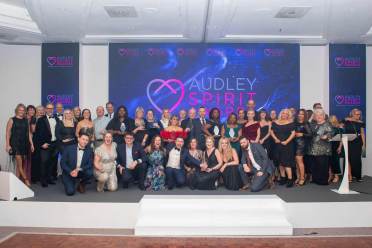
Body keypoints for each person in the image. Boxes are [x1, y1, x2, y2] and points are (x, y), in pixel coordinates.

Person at [5, 104, 34, 186]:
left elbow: (28, 133)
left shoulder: (26, 120)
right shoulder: (11, 120)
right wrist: (7, 145)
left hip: (24, 144)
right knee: (19, 162)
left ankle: (17, 182)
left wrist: (31, 144)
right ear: (17, 110)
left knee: (19, 165)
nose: (21, 111)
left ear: (25, 111)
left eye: (23, 110)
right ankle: (25, 179)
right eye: (20, 110)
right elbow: (7, 133)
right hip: (15, 144)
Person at [34, 103, 59, 187]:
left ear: (53, 109)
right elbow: (37, 133)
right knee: (44, 163)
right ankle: (43, 180)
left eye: (51, 108)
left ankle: (49, 178)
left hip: (55, 144)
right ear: (45, 109)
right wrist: (41, 144)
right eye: (48, 108)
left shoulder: (56, 118)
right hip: (45, 144)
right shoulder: (41, 120)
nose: (50, 110)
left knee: (52, 163)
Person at [308, 109, 334, 185]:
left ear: (323, 116)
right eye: (316, 115)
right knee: (314, 164)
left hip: (323, 149)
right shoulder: (313, 124)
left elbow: (332, 132)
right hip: (313, 148)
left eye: (320, 115)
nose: (318, 116)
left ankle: (323, 181)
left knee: (323, 165)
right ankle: (316, 179)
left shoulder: (327, 124)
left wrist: (326, 136)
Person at [271, 108, 296, 187]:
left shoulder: (291, 123)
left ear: (288, 115)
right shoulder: (275, 122)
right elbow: (271, 131)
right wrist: (275, 139)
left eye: (286, 113)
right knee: (280, 162)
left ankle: (290, 179)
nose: (284, 115)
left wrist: (286, 141)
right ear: (281, 114)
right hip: (277, 145)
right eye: (283, 113)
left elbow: (293, 133)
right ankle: (283, 178)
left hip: (287, 145)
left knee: (287, 163)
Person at [343, 108, 365, 182]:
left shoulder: (361, 122)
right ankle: (349, 176)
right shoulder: (347, 121)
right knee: (348, 158)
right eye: (356, 114)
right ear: (352, 114)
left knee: (357, 159)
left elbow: (362, 133)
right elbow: (340, 124)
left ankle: (358, 176)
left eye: (359, 114)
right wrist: (348, 119)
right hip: (349, 141)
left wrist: (364, 144)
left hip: (357, 142)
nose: (358, 116)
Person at [294, 109, 312, 186]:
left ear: (304, 115)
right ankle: (298, 177)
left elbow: (310, 135)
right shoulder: (295, 122)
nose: (300, 115)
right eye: (299, 114)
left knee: (300, 161)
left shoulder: (306, 123)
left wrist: (302, 134)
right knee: (296, 162)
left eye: (302, 114)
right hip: (294, 144)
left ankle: (302, 178)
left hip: (301, 144)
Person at [31, 105, 45, 183]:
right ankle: (34, 178)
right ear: (36, 111)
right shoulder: (34, 119)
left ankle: (40, 176)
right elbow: (33, 130)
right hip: (36, 141)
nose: (41, 111)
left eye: (42, 110)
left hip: (43, 141)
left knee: (41, 160)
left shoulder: (44, 118)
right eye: (39, 110)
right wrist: (37, 120)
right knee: (35, 159)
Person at [329, 115, 344, 183]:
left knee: (335, 162)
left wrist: (340, 147)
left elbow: (342, 139)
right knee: (329, 162)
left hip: (336, 146)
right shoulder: (328, 128)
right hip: (328, 146)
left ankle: (336, 176)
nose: (332, 120)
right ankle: (330, 175)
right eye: (331, 119)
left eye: (333, 119)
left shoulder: (339, 128)